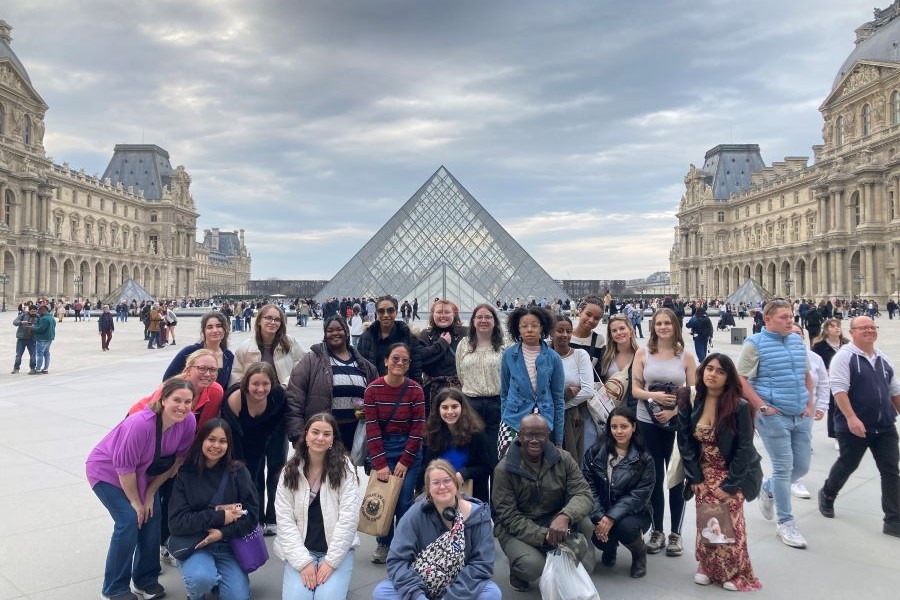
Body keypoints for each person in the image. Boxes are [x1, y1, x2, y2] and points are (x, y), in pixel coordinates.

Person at [86, 378, 197, 600]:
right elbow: (124, 469)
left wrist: (150, 494)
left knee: (152, 517)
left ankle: (146, 580)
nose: (182, 407)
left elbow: (175, 463)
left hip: (144, 477)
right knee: (129, 520)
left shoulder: (188, 422)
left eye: (188, 401)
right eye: (176, 400)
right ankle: (114, 589)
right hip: (108, 472)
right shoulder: (141, 424)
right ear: (164, 399)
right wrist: (137, 502)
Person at [677, 353, 763, 591]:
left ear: (728, 378)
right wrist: (695, 476)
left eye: (720, 371)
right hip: (703, 471)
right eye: (709, 368)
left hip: (732, 472)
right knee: (707, 520)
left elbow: (745, 447)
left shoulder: (739, 406)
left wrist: (731, 485)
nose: (712, 374)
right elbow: (684, 440)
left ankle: (734, 572)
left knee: (731, 523)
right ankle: (707, 566)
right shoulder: (690, 398)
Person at [738, 299, 814, 549]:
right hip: (773, 414)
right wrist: (761, 406)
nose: (790, 320)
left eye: (790, 316)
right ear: (767, 319)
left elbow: (806, 375)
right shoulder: (754, 344)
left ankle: (768, 488)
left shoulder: (796, 340)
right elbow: (741, 380)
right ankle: (786, 523)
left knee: (801, 467)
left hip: (800, 412)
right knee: (783, 467)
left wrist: (809, 403)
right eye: (783, 317)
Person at [492, 414, 595, 592]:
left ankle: (565, 562)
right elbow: (508, 517)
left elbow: (583, 493)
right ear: (519, 435)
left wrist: (565, 516)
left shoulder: (564, 459)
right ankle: (518, 570)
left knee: (586, 524)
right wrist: (545, 536)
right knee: (532, 566)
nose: (534, 440)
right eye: (528, 435)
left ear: (548, 436)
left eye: (540, 435)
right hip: (517, 528)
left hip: (554, 519)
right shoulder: (504, 469)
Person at [818, 316, 900, 538]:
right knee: (847, 464)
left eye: (873, 327)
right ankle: (827, 493)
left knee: (891, 471)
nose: (870, 330)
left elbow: (894, 391)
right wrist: (851, 418)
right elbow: (839, 390)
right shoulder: (844, 358)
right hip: (854, 425)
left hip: (884, 425)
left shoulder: (883, 359)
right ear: (852, 332)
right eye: (864, 327)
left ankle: (893, 520)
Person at [373, 459, 501, 600]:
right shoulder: (414, 515)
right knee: (382, 592)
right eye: (436, 483)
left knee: (492, 593)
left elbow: (482, 564)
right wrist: (417, 596)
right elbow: (397, 560)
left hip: (460, 585)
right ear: (428, 489)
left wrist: (452, 597)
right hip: (420, 581)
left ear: (456, 483)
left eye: (447, 481)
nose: (442, 487)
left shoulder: (478, 515)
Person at [229, 304, 307, 535]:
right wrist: (251, 389)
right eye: (268, 318)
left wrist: (285, 384)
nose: (272, 322)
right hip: (253, 413)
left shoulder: (290, 344)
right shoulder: (246, 348)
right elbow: (235, 377)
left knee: (276, 467)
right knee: (253, 467)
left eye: (277, 319)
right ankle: (256, 515)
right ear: (259, 320)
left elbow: (302, 367)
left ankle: (272, 516)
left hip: (279, 411)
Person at [168, 418, 260, 600]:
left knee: (238, 597)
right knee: (200, 579)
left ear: (229, 445)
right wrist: (220, 516)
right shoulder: (186, 474)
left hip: (228, 545)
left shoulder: (238, 472)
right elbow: (176, 523)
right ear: (201, 440)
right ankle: (196, 592)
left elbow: (252, 515)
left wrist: (222, 533)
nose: (216, 445)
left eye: (223, 441)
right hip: (196, 545)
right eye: (211, 439)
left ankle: (220, 581)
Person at [630, 307, 696, 557]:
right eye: (658, 323)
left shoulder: (686, 357)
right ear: (653, 327)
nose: (663, 327)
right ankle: (657, 530)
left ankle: (676, 533)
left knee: (676, 478)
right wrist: (654, 395)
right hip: (647, 420)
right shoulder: (643, 353)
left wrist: (673, 413)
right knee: (655, 478)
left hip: (676, 422)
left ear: (675, 326)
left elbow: (693, 393)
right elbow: (636, 391)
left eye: (667, 323)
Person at [274, 413, 360, 599]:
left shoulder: (345, 469)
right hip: (303, 550)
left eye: (327, 434)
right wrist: (303, 563)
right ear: (306, 435)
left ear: (333, 439)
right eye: (315, 432)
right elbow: (284, 521)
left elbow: (349, 519)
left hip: (335, 552)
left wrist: (331, 562)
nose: (320, 438)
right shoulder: (290, 470)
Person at [364, 342, 426, 564]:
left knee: (403, 501)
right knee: (383, 498)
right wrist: (380, 463)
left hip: (408, 449)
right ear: (386, 361)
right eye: (396, 358)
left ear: (409, 365)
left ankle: (404, 542)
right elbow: (371, 428)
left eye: (405, 360)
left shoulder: (415, 390)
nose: (400, 363)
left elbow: (418, 428)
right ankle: (384, 542)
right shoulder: (372, 390)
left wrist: (405, 461)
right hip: (382, 447)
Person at [286, 315, 378, 450]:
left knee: (349, 470)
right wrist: (297, 435)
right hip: (321, 434)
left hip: (354, 433)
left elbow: (377, 398)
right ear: (325, 334)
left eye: (339, 329)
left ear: (347, 332)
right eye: (330, 330)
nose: (335, 333)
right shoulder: (311, 360)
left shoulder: (365, 365)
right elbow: (295, 397)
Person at [582, 406, 654, 578]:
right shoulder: (594, 452)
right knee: (596, 533)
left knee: (625, 528)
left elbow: (639, 495)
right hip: (602, 509)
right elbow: (587, 486)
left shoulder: (644, 458)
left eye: (624, 426)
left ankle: (639, 554)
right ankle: (610, 548)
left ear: (634, 427)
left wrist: (611, 517)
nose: (619, 431)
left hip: (634, 512)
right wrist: (600, 516)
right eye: (614, 427)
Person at [222, 362, 287, 530]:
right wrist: (240, 466)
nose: (260, 389)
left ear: (272, 384)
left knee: (266, 473)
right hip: (237, 437)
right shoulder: (236, 398)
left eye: (265, 384)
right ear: (246, 383)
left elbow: (274, 422)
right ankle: (251, 520)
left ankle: (265, 519)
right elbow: (233, 436)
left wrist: (264, 442)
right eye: (255, 384)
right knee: (247, 477)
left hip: (262, 433)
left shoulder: (278, 395)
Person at [499, 306, 565, 458]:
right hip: (513, 420)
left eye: (534, 325)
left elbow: (558, 399)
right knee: (509, 464)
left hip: (544, 420)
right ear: (518, 329)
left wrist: (559, 440)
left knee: (541, 470)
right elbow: (504, 393)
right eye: (524, 326)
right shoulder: (508, 355)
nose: (529, 330)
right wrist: (505, 419)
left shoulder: (553, 358)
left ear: (542, 327)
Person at [419, 388, 494, 503]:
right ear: (438, 410)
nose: (450, 412)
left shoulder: (477, 435)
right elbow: (426, 467)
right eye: (445, 407)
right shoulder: (432, 434)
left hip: (471, 497)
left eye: (454, 406)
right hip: (440, 495)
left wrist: (464, 474)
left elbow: (487, 467)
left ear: (462, 408)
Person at [456, 303, 505, 461]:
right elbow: (460, 373)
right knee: (475, 455)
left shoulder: (505, 346)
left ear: (495, 321)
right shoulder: (464, 344)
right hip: (471, 405)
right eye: (479, 317)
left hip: (497, 404)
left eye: (488, 317)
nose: (483, 320)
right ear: (473, 321)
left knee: (495, 454)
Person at [550, 315, 593, 463]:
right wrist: (569, 390)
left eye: (569, 331)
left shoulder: (580, 355)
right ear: (550, 332)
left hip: (572, 419)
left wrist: (559, 407)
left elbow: (588, 391)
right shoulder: (543, 356)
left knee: (571, 463)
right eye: (560, 331)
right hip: (547, 419)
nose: (565, 335)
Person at [358, 295, 421, 383]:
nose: (386, 315)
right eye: (381, 311)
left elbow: (416, 370)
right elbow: (361, 367)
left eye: (390, 310)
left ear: (396, 312)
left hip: (402, 391)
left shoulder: (409, 337)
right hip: (374, 391)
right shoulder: (365, 338)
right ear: (377, 313)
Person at [164, 311, 234, 389]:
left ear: (225, 329)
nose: (215, 330)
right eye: (210, 327)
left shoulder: (229, 356)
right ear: (203, 331)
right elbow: (167, 379)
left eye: (218, 326)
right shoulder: (190, 351)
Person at [418, 299, 466, 408]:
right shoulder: (426, 334)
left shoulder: (465, 333)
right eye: (439, 312)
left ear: (454, 314)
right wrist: (442, 344)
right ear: (432, 314)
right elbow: (421, 358)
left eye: (447, 312)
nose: (443, 315)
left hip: (459, 391)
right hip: (432, 392)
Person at [811, 319, 849, 450]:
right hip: (830, 382)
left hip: (847, 381)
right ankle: (837, 436)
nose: (836, 328)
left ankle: (849, 432)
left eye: (838, 326)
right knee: (835, 409)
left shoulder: (847, 344)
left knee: (849, 407)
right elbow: (814, 364)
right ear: (826, 330)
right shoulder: (819, 345)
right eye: (832, 327)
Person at [569, 296, 606, 381]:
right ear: (580, 312)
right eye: (588, 315)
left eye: (596, 318)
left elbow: (598, 372)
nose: (591, 320)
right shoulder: (565, 335)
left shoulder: (599, 340)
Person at [11, 304, 37, 374]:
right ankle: (16, 368)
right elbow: (14, 322)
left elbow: (40, 326)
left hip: (32, 339)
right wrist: (21, 322)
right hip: (21, 338)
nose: (33, 313)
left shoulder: (38, 317)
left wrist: (35, 327)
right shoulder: (23, 315)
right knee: (19, 354)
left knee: (33, 354)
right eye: (32, 311)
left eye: (35, 311)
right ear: (29, 310)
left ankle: (32, 368)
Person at [31, 304, 56, 374]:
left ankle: (38, 369)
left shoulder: (44, 319)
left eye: (39, 310)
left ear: (43, 310)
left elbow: (40, 329)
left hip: (42, 338)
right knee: (46, 353)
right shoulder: (51, 317)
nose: (38, 311)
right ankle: (45, 369)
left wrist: (33, 327)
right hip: (49, 338)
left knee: (40, 354)